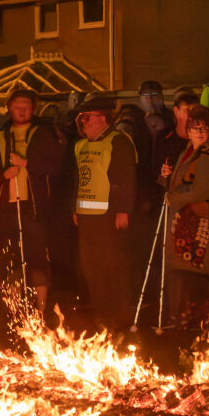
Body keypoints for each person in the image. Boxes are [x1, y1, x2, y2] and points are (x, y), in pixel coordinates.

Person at [0, 89, 63, 314]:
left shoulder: (44, 133)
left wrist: (27, 163)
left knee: (37, 257)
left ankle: (40, 310)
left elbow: (56, 166)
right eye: (17, 105)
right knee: (10, 259)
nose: (21, 109)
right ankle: (14, 311)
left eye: (26, 105)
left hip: (34, 208)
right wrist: (2, 175)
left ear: (33, 108)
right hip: (6, 209)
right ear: (9, 107)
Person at [157, 108, 209, 327]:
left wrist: (174, 197)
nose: (199, 132)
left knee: (200, 275)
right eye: (194, 128)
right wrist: (166, 179)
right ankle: (182, 317)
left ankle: (207, 321)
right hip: (183, 224)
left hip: (202, 227)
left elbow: (203, 190)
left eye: (204, 128)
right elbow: (178, 183)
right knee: (181, 273)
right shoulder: (189, 152)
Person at [72, 96, 137, 329]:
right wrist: (75, 208)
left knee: (113, 267)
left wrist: (123, 210)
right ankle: (101, 315)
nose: (82, 122)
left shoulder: (118, 141)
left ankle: (119, 317)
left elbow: (126, 177)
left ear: (102, 118)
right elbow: (77, 179)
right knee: (91, 267)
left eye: (86, 117)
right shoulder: (81, 145)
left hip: (109, 217)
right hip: (87, 217)